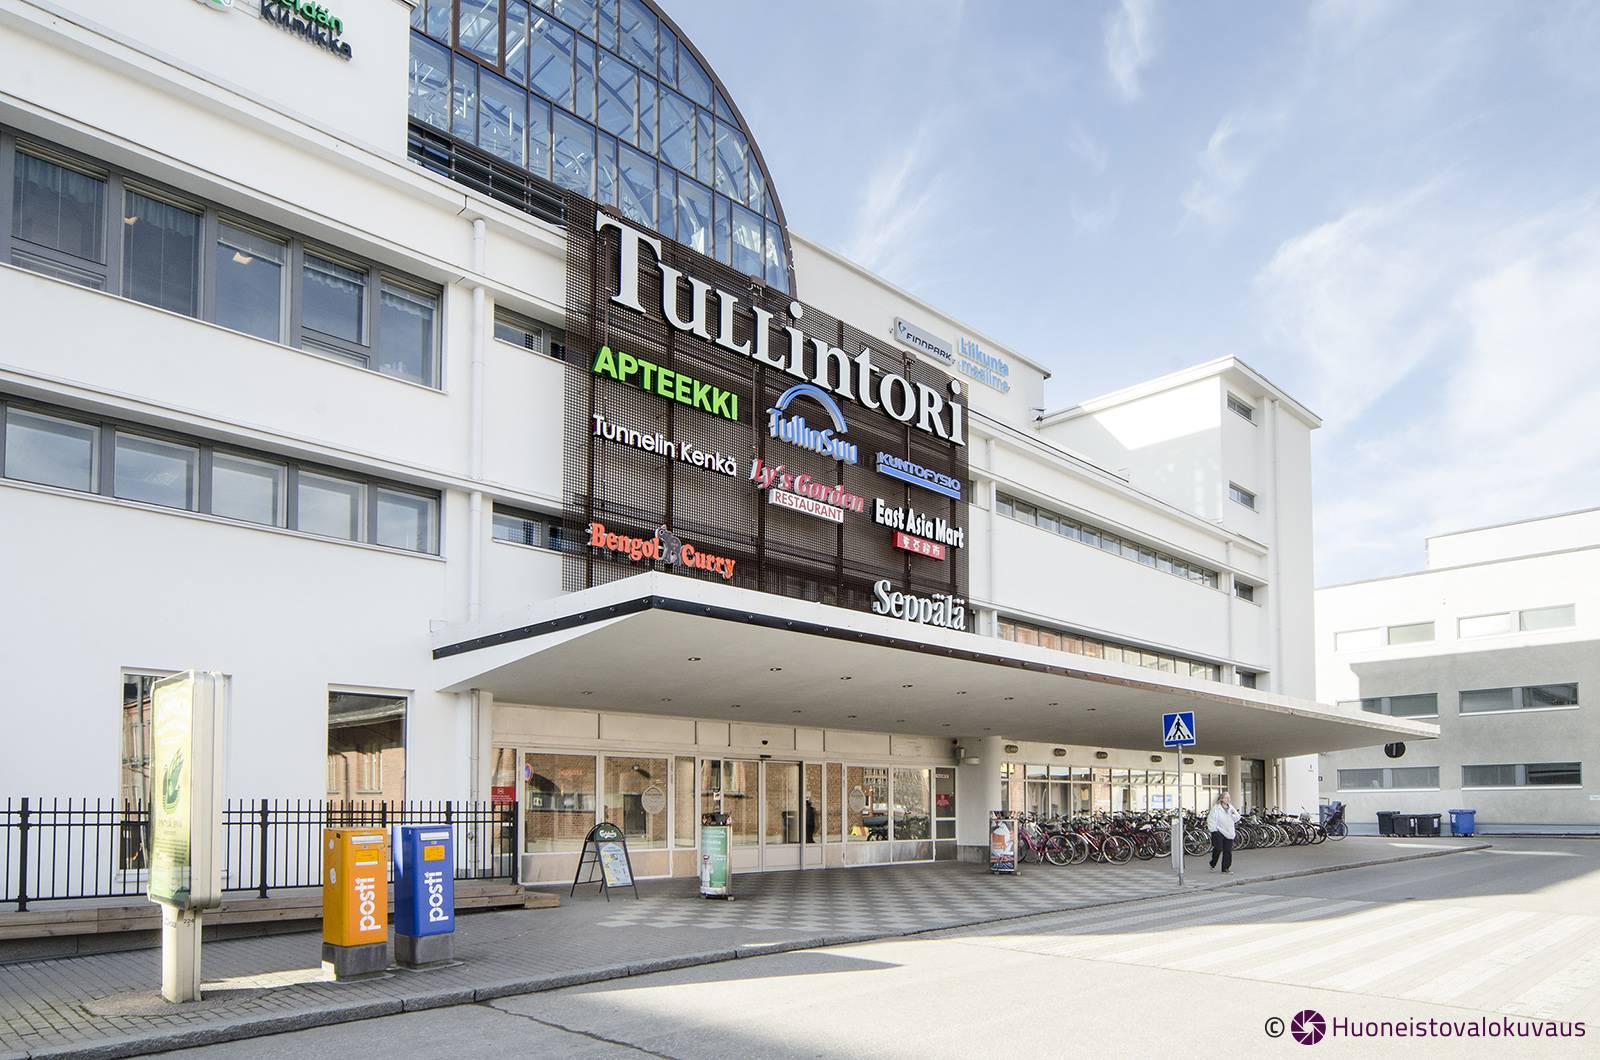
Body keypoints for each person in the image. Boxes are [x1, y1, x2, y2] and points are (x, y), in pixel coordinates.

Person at [1207, 792, 1241, 874]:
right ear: (1221, 799)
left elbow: (1237, 817)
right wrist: (1213, 830)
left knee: (1227, 850)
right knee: (1218, 848)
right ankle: (1213, 863)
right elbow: (1211, 819)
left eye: (1229, 797)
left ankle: (1225, 868)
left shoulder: (1231, 808)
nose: (1228, 799)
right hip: (1218, 831)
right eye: (1226, 798)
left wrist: (1233, 815)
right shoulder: (1216, 808)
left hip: (1229, 831)